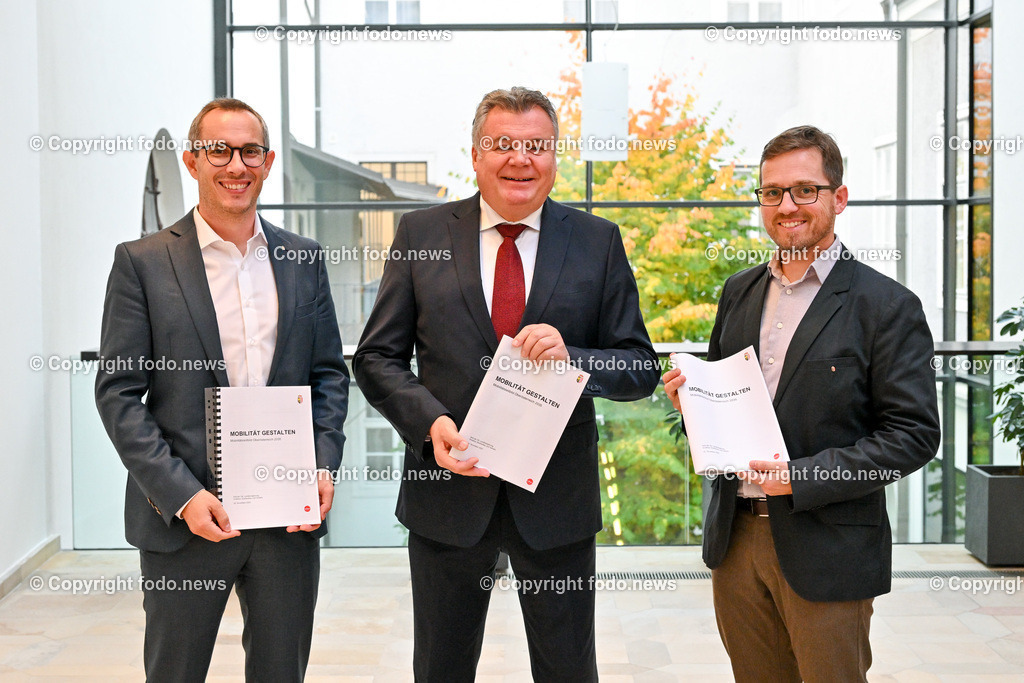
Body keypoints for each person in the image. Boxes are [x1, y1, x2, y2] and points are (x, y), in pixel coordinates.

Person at [353, 86, 659, 681]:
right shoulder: (420, 234)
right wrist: (430, 423)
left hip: (557, 503)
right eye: (502, 145)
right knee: (440, 669)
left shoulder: (597, 241)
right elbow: (376, 358)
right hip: (447, 496)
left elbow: (639, 366)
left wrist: (574, 359)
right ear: (475, 155)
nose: (521, 159)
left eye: (537, 146)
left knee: (568, 670)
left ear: (554, 157)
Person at [663, 125, 940, 682]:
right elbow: (728, 410)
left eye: (805, 190)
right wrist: (694, 404)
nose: (786, 205)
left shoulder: (886, 305)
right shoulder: (738, 291)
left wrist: (801, 477)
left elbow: (913, 435)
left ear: (839, 197)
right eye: (772, 192)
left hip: (828, 547)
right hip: (736, 541)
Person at [95, 98, 349, 682]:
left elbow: (329, 375)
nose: (236, 165)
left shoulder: (303, 259)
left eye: (250, 151)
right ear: (192, 161)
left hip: (285, 521)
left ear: (268, 162)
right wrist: (182, 495)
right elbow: (118, 394)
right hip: (186, 521)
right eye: (219, 150)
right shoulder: (142, 263)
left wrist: (322, 464)